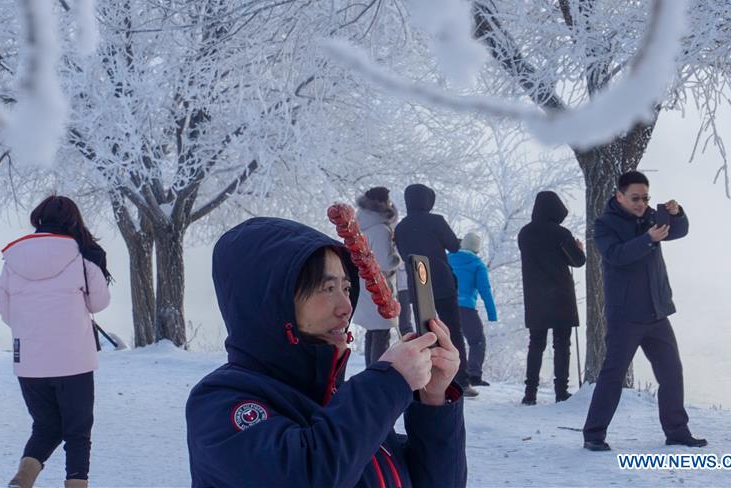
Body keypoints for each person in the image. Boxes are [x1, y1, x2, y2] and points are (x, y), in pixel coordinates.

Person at [186, 217, 467, 487]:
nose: (346, 306)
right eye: (327, 288)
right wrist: (388, 383)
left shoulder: (344, 405)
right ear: (271, 301)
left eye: (346, 287)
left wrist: (433, 400)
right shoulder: (219, 403)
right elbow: (306, 476)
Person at [583, 171, 705, 451]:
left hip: (656, 310)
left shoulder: (651, 216)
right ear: (619, 196)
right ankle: (594, 434)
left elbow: (680, 231)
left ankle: (677, 431)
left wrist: (677, 213)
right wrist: (648, 239)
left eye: (645, 197)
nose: (641, 203)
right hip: (626, 315)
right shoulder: (604, 225)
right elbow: (615, 256)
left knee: (671, 372)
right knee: (613, 375)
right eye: (635, 198)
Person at [0, 196, 112, 488]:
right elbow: (99, 303)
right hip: (74, 361)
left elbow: (6, 311)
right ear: (73, 221)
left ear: (38, 218)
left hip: (30, 364)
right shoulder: (83, 257)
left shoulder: (12, 259)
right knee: (77, 432)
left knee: (46, 426)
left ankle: (22, 480)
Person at [394, 184, 474, 396]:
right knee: (452, 331)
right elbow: (454, 246)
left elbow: (403, 255)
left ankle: (425, 379)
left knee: (424, 333)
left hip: (419, 285)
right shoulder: (436, 221)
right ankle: (461, 380)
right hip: (442, 282)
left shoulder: (400, 228)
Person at [517, 191, 586, 405]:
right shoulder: (561, 234)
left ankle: (530, 393)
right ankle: (561, 391)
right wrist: (579, 249)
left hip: (535, 296)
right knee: (562, 344)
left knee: (536, 344)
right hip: (560, 296)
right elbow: (577, 261)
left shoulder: (525, 233)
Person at [354, 187, 403, 366]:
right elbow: (385, 262)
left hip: (363, 281)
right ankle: (377, 375)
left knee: (372, 332)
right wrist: (398, 257)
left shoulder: (360, 223)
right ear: (383, 203)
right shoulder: (381, 229)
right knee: (381, 333)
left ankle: (369, 373)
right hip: (378, 285)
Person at [448, 231, 497, 387]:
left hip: (446, 307)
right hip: (466, 309)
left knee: (451, 341)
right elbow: (485, 290)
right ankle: (474, 375)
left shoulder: (448, 259)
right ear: (476, 249)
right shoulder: (477, 264)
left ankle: (452, 374)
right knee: (477, 341)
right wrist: (492, 313)